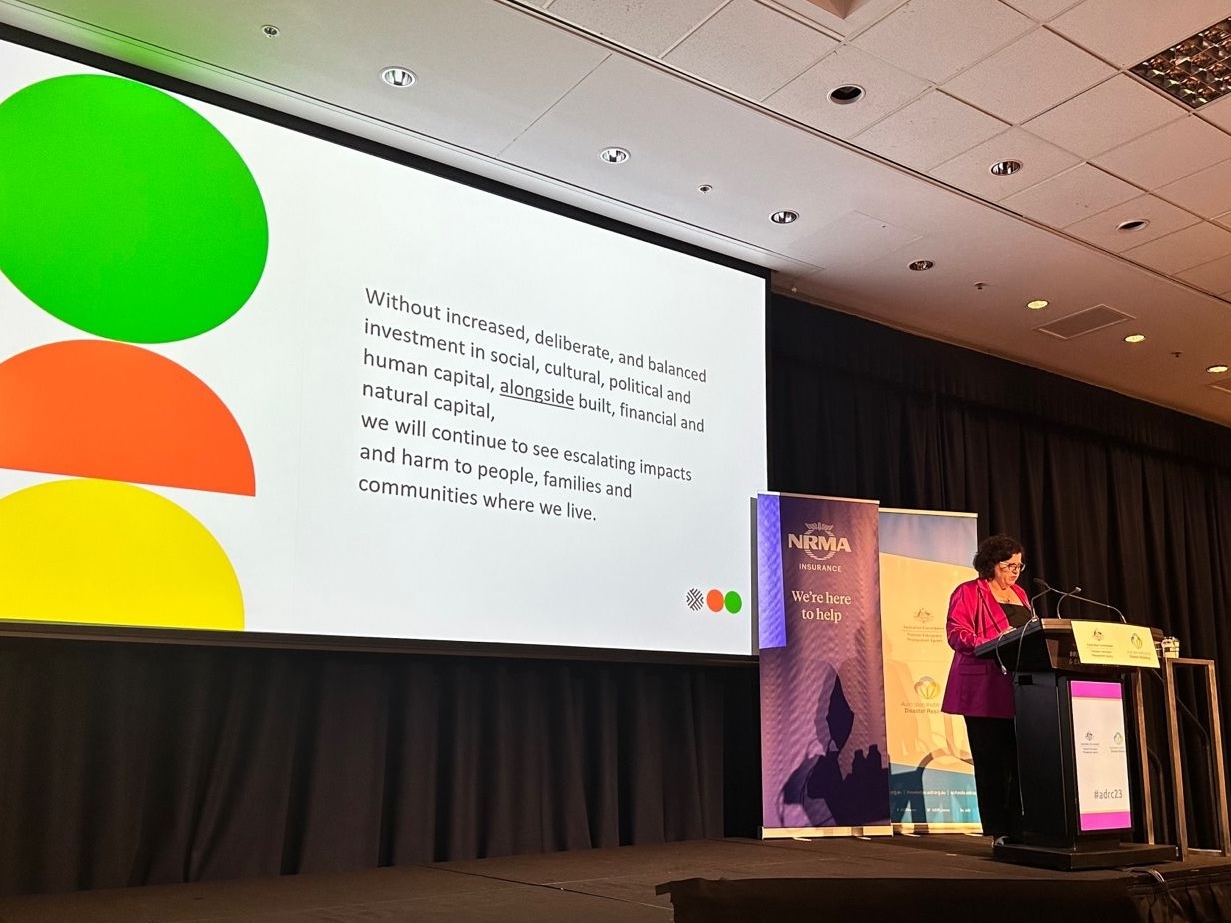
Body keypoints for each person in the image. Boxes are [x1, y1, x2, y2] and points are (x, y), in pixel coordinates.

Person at [941, 533, 1032, 844]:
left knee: (1021, 761)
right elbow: (956, 633)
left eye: (1019, 566)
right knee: (992, 763)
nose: (1015, 573)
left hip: (1020, 687)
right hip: (984, 689)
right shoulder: (968, 592)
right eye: (1009, 566)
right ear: (992, 564)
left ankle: (1022, 828)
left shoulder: (1020, 594)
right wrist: (991, 642)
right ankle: (998, 830)